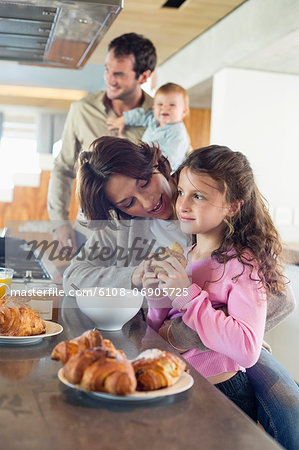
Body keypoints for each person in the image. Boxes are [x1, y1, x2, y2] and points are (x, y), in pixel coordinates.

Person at [63, 136, 299, 448]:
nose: (147, 201)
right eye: (128, 202)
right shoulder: (126, 228)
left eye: (145, 182)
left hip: (226, 347)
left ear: (156, 164)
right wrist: (136, 277)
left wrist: (184, 333)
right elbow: (74, 276)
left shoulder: (209, 187)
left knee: (287, 400)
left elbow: (281, 300)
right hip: (167, 342)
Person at [142, 145, 285, 422]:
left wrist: (186, 295)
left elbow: (247, 349)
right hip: (176, 383)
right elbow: (159, 336)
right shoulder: (184, 256)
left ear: (233, 206)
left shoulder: (243, 264)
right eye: (181, 192)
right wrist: (157, 299)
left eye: (198, 196)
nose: (182, 205)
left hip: (219, 393)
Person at [47, 32, 156, 250]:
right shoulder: (82, 110)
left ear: (143, 77)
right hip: (88, 232)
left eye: (119, 74)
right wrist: (59, 223)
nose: (109, 79)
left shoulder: (161, 115)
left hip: (142, 238)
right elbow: (63, 168)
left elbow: (178, 171)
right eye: (107, 70)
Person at [106, 82, 191, 170]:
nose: (165, 108)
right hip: (145, 163)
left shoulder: (177, 133)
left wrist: (151, 166)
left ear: (183, 112)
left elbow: (171, 159)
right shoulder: (154, 120)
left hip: (162, 171)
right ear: (154, 108)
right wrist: (124, 119)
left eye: (172, 105)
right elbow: (141, 115)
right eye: (160, 104)